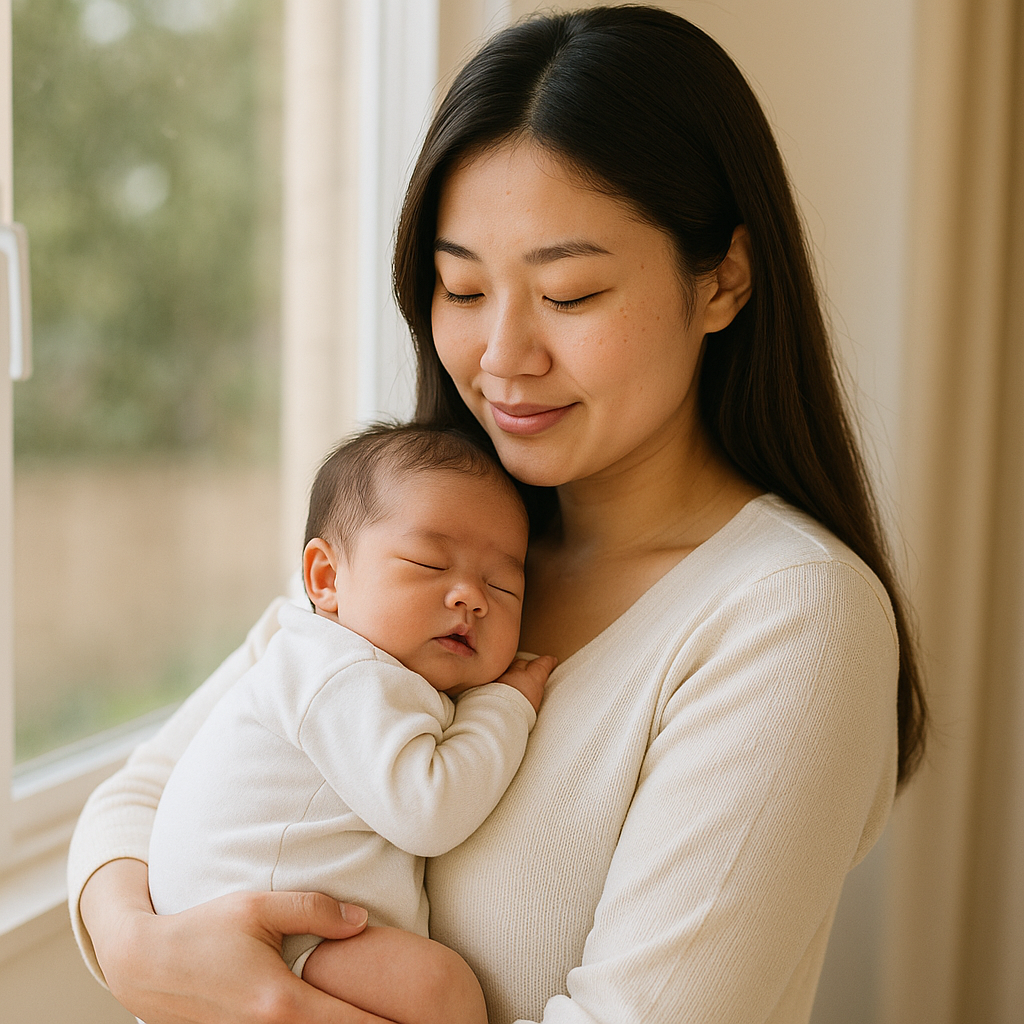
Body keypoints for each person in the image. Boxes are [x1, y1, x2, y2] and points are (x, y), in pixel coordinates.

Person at [68, 7, 928, 1024]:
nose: (500, 355)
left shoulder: (790, 619)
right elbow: (138, 801)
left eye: (568, 293)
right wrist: (142, 949)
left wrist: (274, 1003)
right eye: (461, 286)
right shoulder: (431, 544)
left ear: (723, 280)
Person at [147, 424, 555, 1024]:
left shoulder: (339, 658)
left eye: (502, 584)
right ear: (326, 579)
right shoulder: (343, 672)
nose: (471, 596)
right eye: (429, 562)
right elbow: (429, 809)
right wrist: (505, 704)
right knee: (438, 990)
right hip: (266, 938)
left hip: (269, 930)